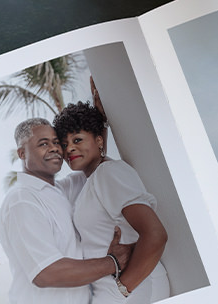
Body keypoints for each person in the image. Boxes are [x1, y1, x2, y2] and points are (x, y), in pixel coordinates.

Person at [0, 117, 132, 304]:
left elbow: (94, 162)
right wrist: (113, 262)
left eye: (56, 142)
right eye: (43, 144)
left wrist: (100, 120)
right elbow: (46, 273)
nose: (54, 148)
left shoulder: (59, 191)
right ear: (21, 153)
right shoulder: (22, 202)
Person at [53, 97, 169, 303]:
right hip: (121, 289)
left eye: (77, 140)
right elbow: (95, 153)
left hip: (137, 288)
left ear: (98, 140)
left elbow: (155, 234)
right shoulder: (91, 179)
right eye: (64, 144)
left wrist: (120, 290)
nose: (69, 148)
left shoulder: (109, 173)